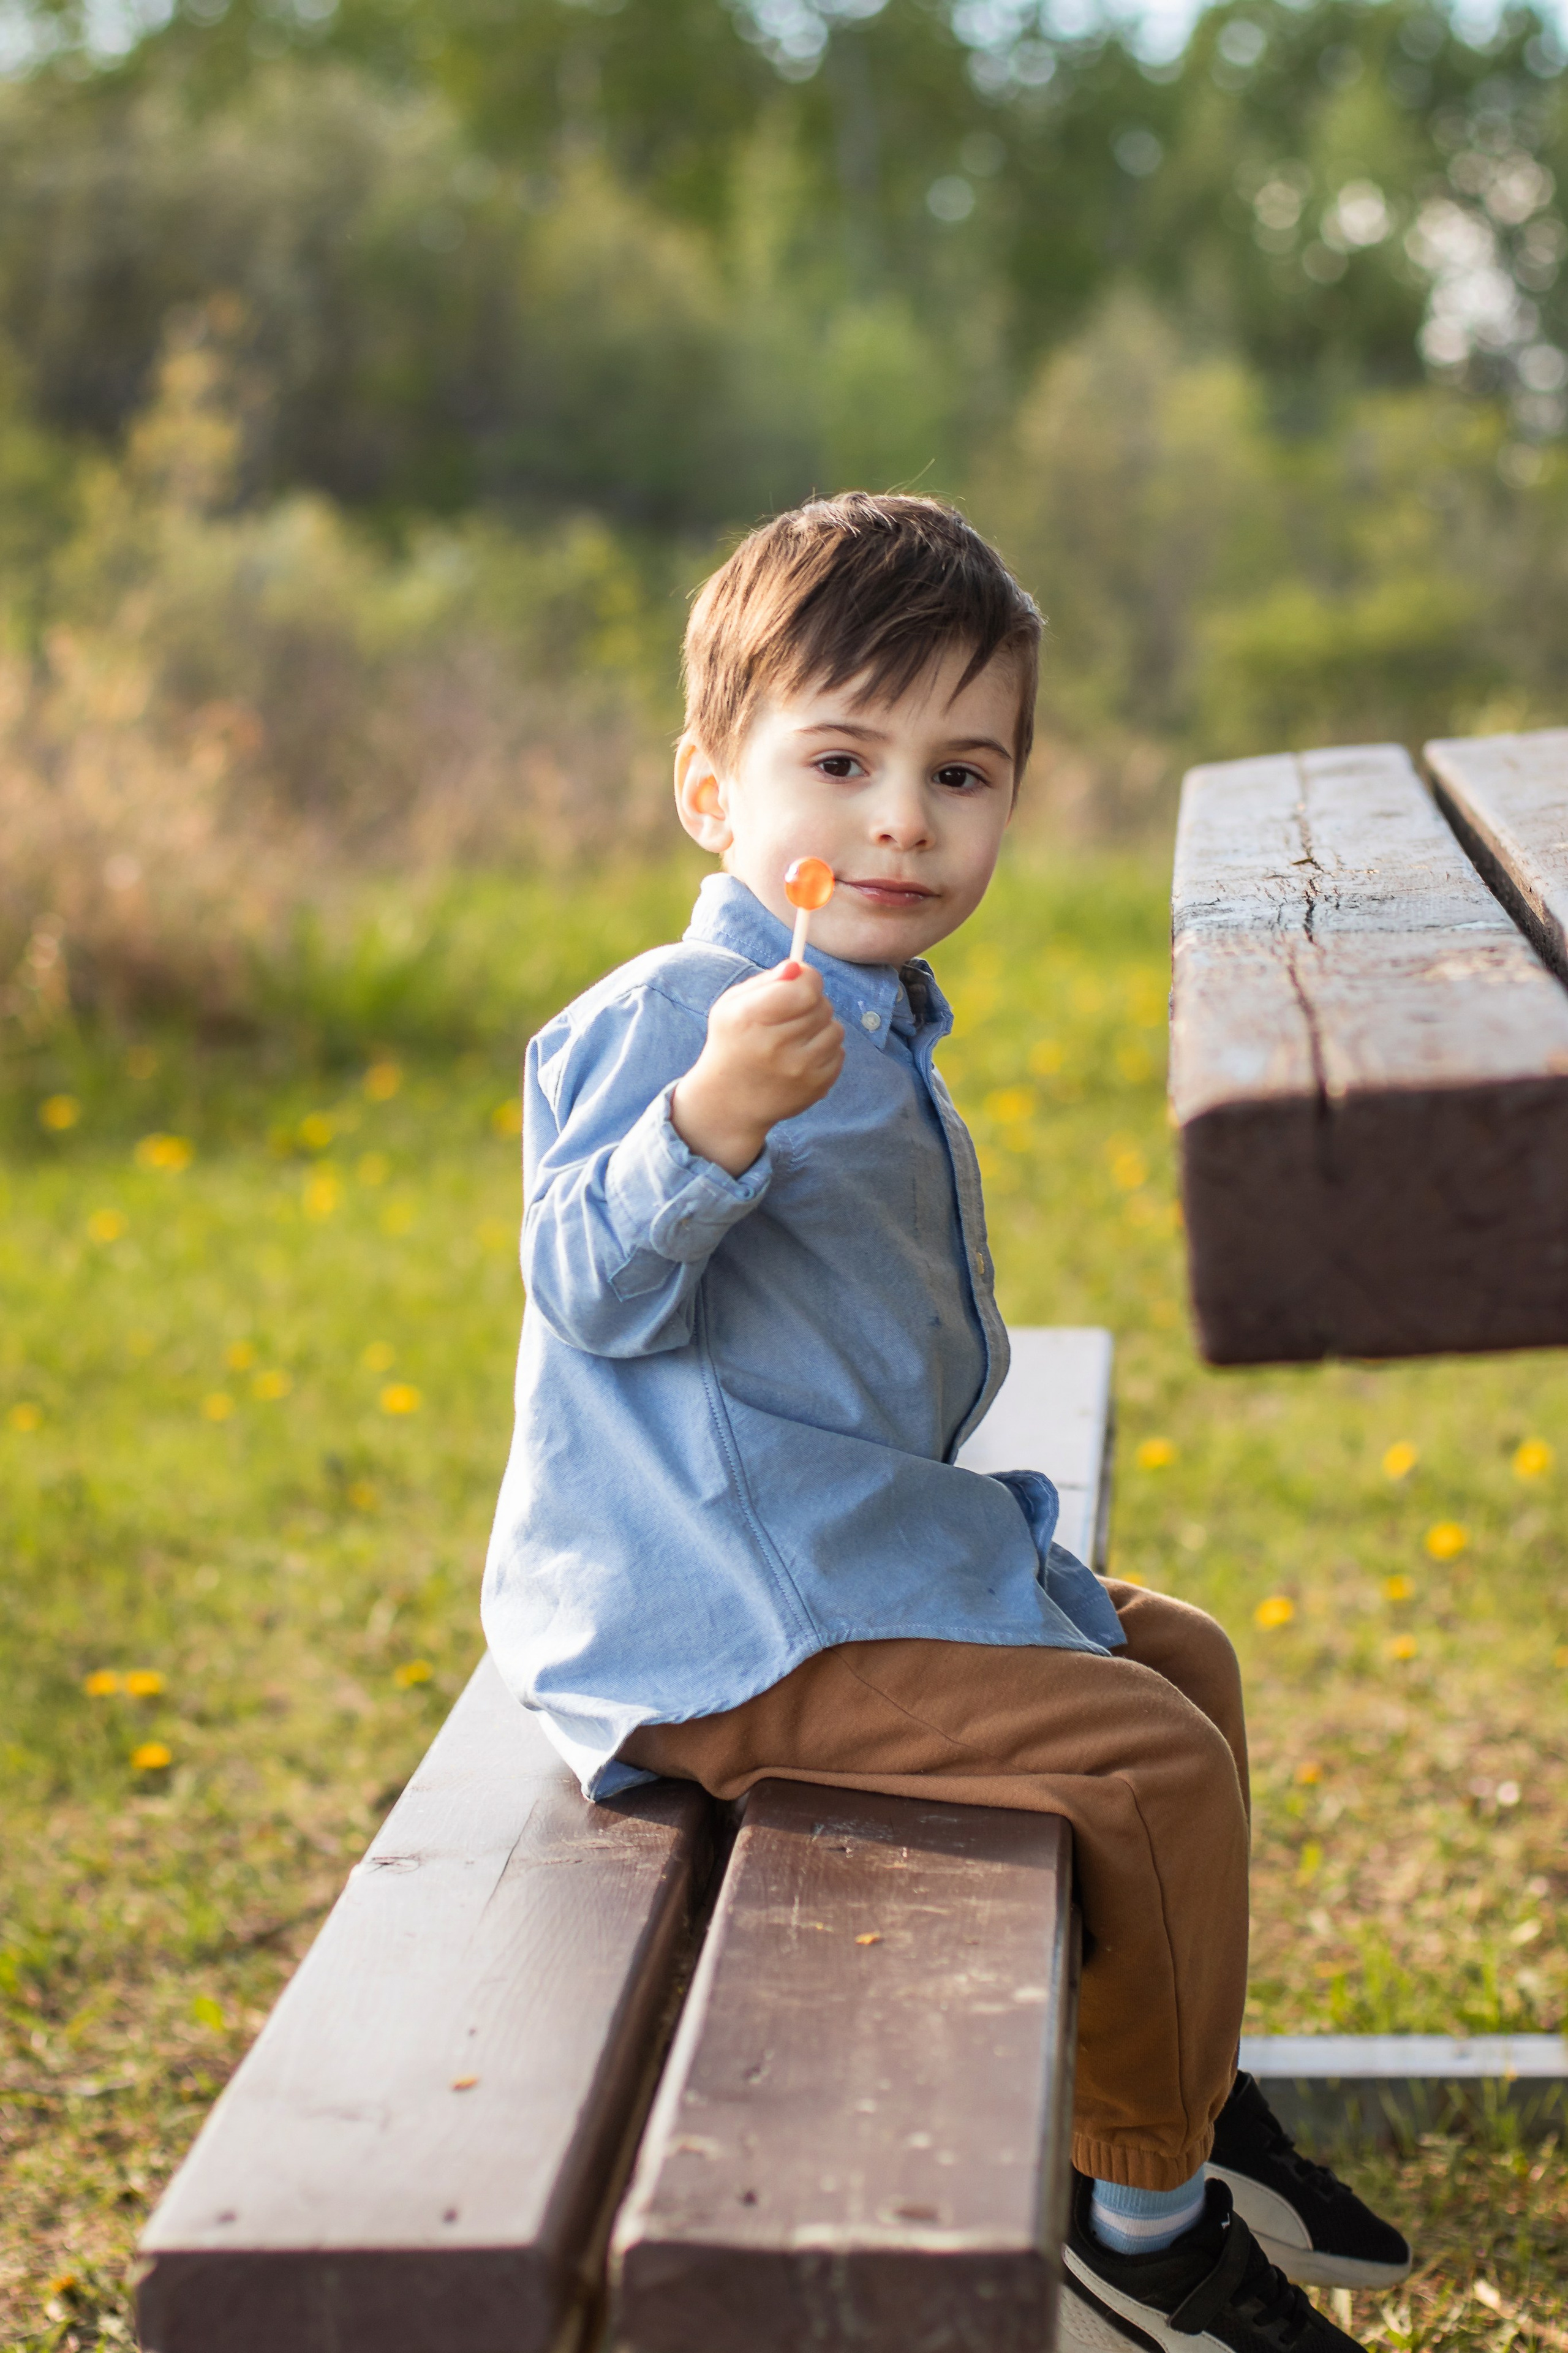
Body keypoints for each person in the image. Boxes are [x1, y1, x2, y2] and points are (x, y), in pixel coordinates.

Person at [482, 493, 1409, 2353]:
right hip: (722, 1614)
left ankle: (1174, 2105)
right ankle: (1134, 2235)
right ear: (708, 789)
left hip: (845, 1543)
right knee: (1142, 1764)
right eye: (840, 759)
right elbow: (585, 1285)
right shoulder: (677, 1015)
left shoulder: (882, 1003)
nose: (904, 817)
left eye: (963, 772)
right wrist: (707, 1129)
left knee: (1190, 1664)